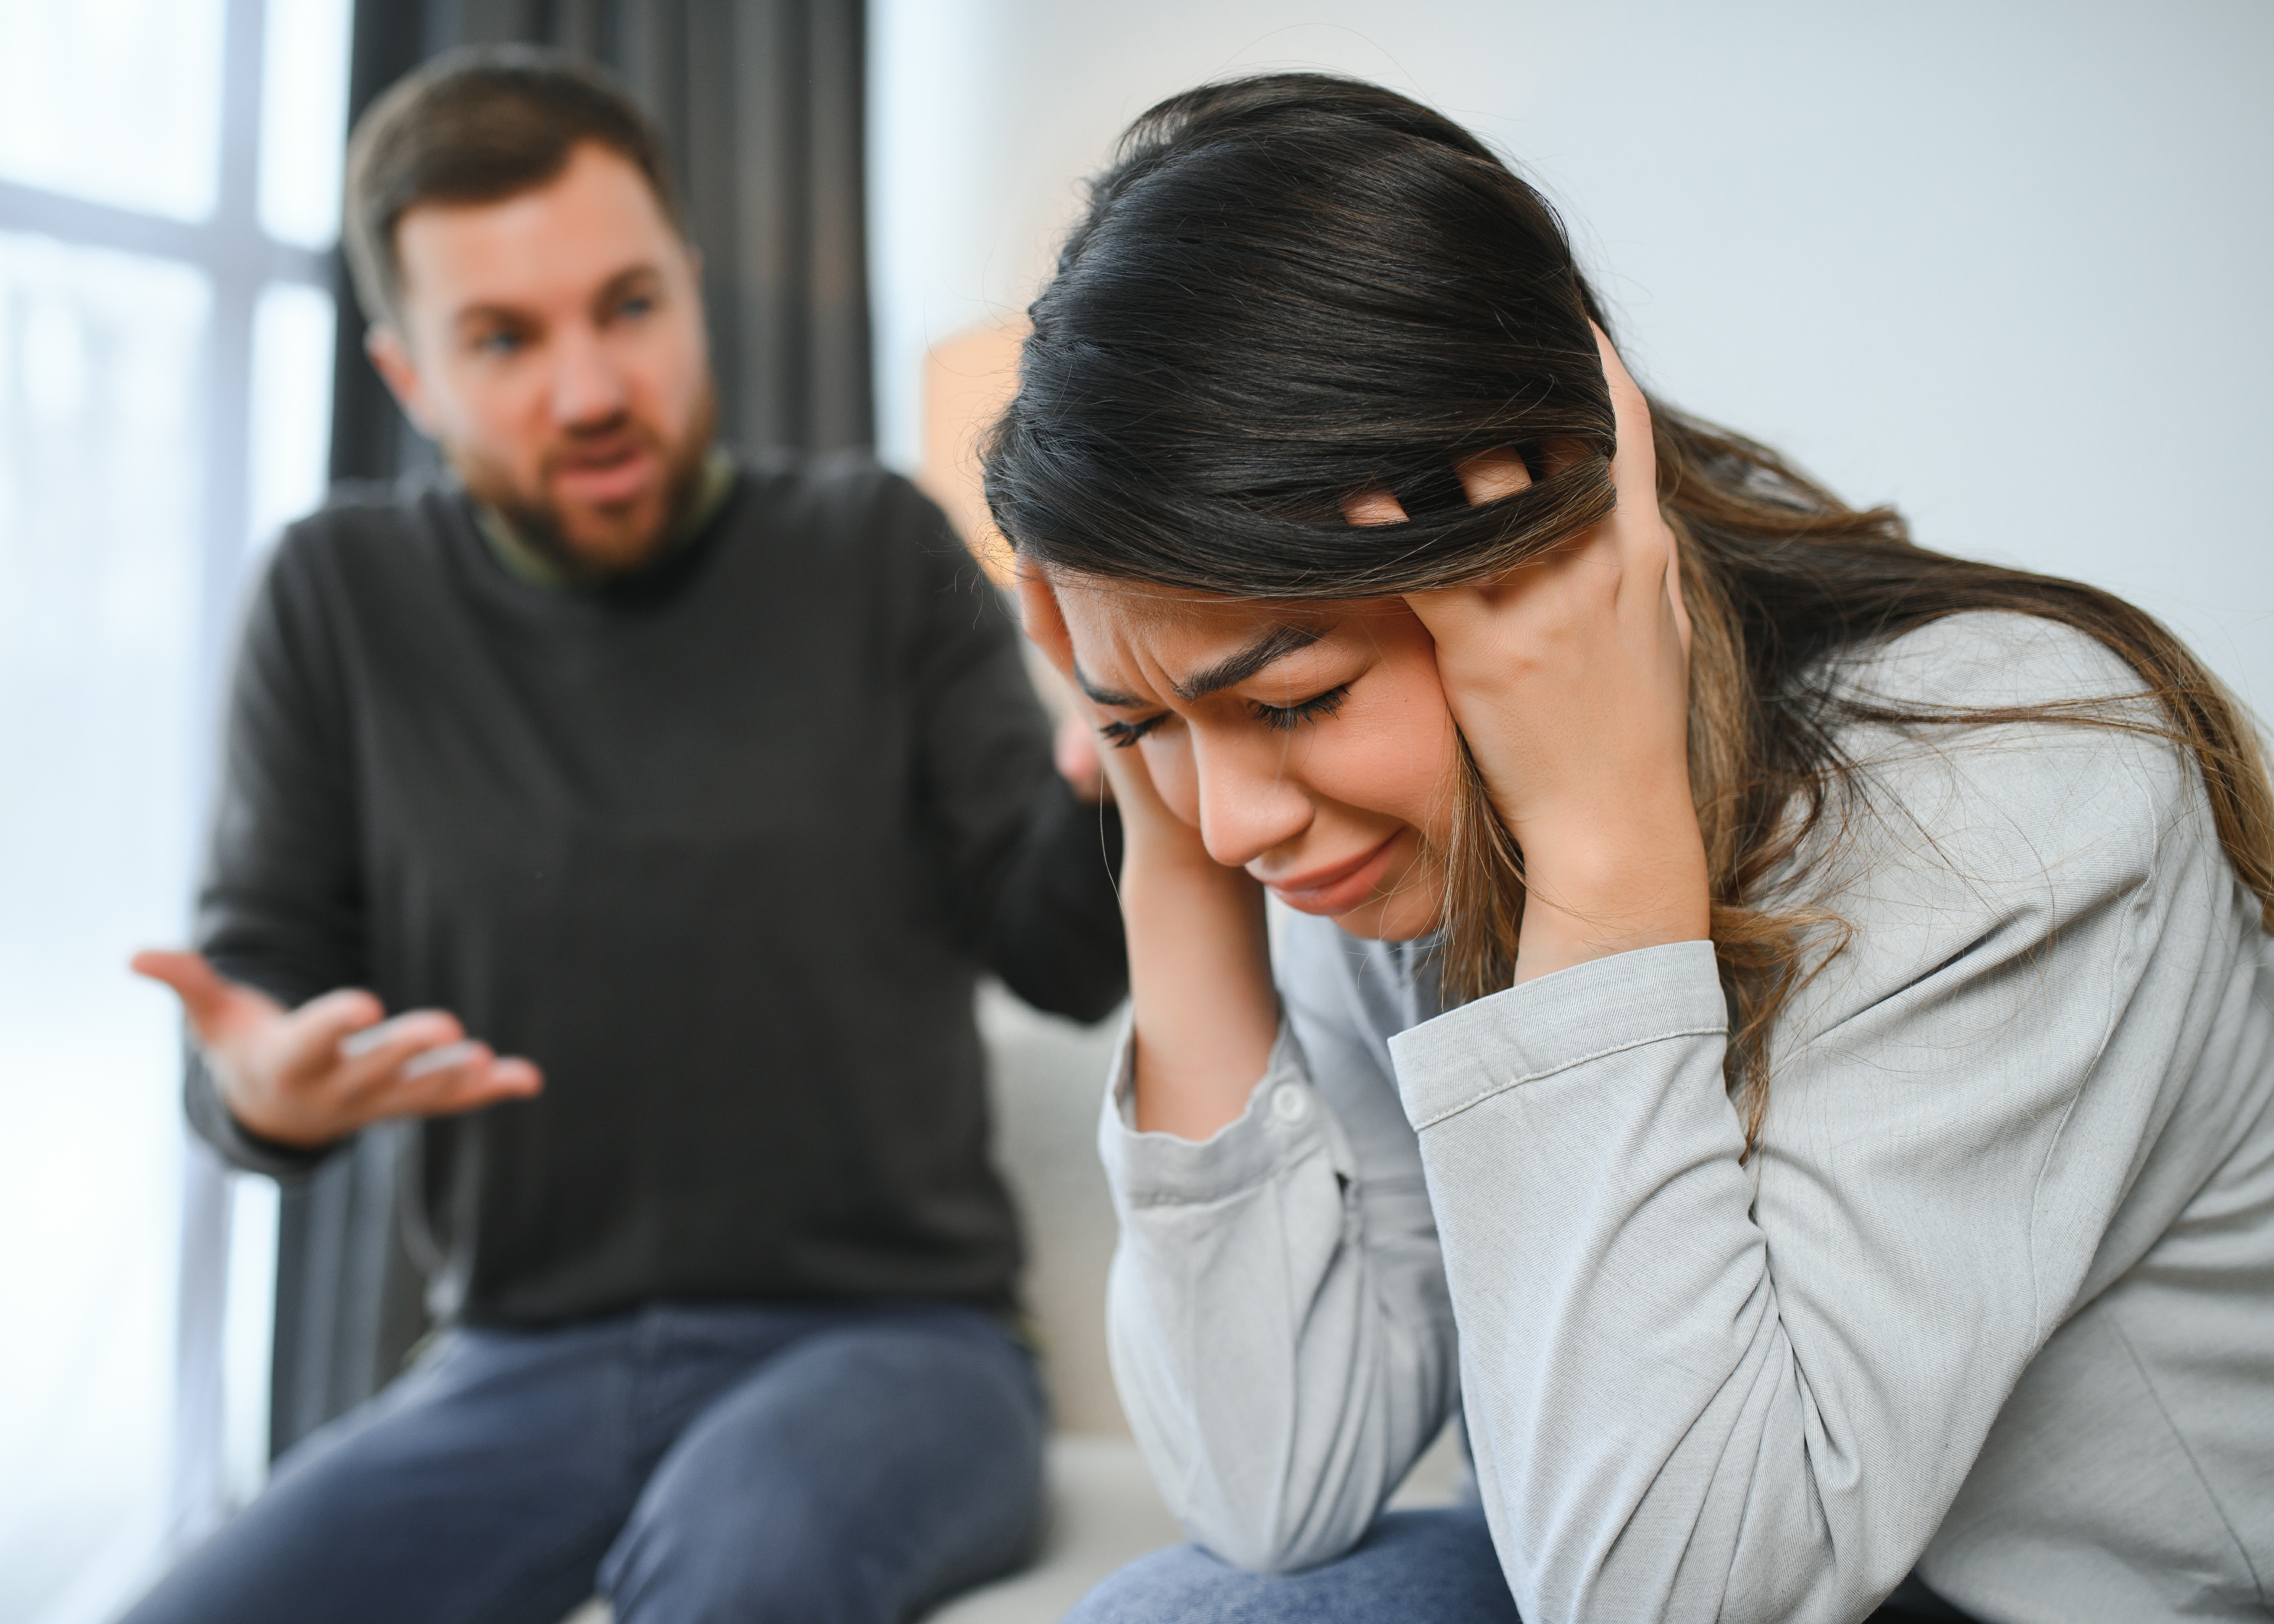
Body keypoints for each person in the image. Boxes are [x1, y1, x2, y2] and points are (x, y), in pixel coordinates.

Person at [982, 74, 2274, 1624]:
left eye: (1296, 700)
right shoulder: (1377, 843)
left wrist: (1603, 849)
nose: (1241, 818)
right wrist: (1159, 829)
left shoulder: (2010, 785)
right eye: (1153, 732)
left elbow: (1673, 1605)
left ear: (1535, 560)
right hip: (1673, 1534)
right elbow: (1271, 1486)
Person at [122, 47, 1126, 1624]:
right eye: (505, 340)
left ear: (692, 286)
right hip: (521, 1366)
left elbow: (1066, 950)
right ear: (410, 380)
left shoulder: (870, 550)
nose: (589, 387)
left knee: (745, 1573)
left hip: (894, 1344)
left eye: (629, 307)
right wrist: (262, 1082)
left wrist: (1109, 778)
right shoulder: (338, 602)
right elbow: (251, 995)